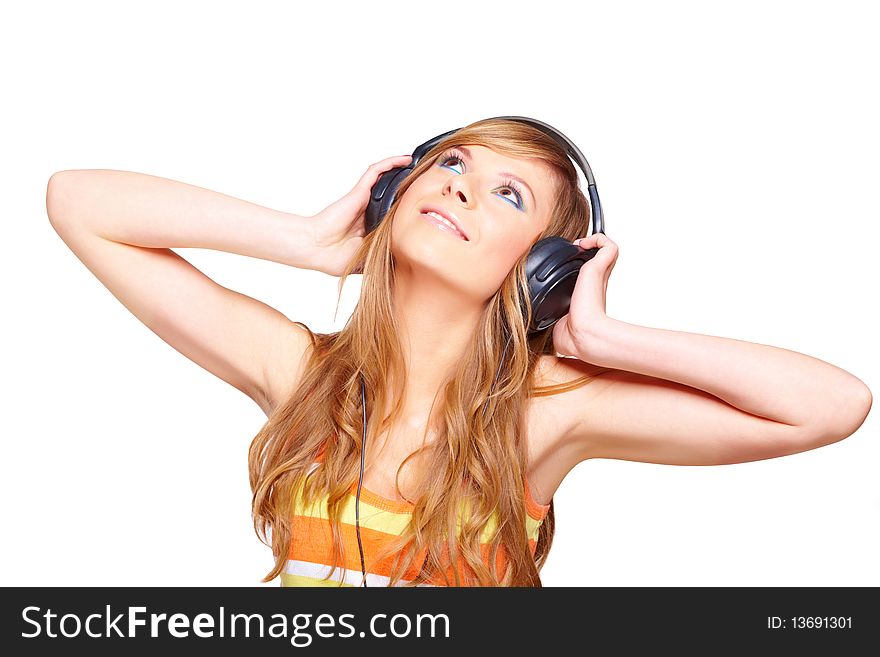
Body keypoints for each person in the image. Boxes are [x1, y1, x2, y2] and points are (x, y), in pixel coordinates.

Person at [45, 117, 873, 587]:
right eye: (451, 163)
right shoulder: (301, 374)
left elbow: (831, 405)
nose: (460, 186)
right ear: (391, 198)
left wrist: (606, 340)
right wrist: (302, 239)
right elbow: (78, 201)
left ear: (542, 271)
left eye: (507, 195)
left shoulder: (547, 417)